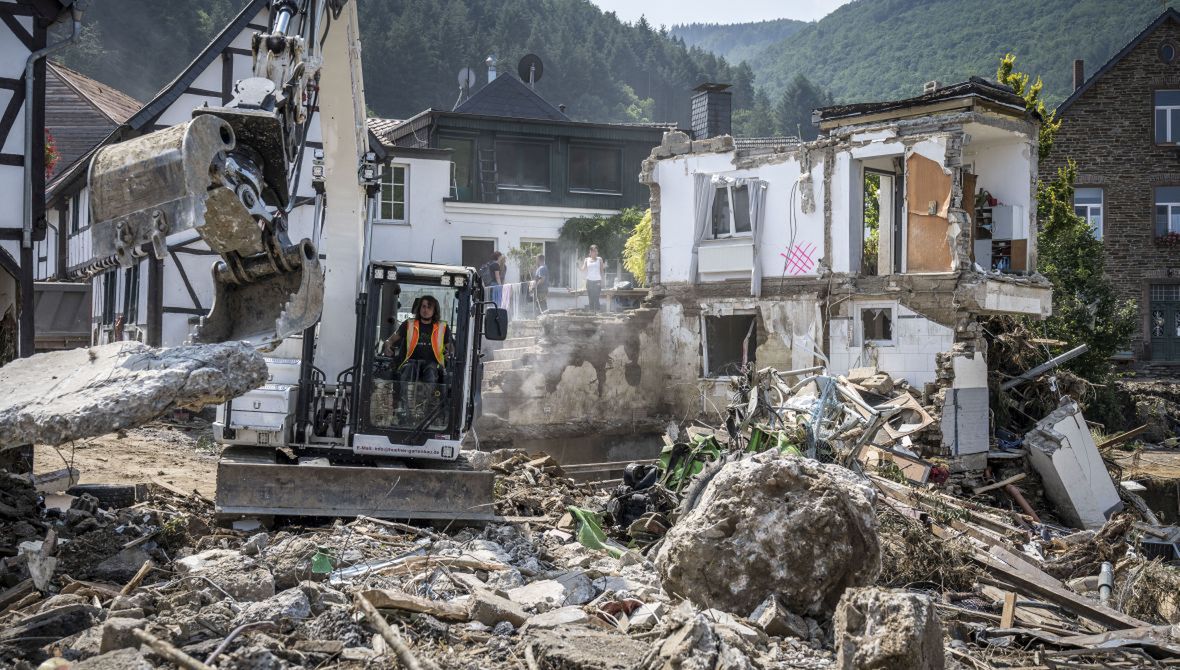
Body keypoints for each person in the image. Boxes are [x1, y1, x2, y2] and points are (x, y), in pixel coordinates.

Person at [382, 295, 452, 385]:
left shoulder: (443, 327)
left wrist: (450, 353)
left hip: (433, 363)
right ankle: (402, 399)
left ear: (434, 310)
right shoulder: (408, 324)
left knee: (430, 374)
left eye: (429, 307)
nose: (425, 310)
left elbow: (450, 347)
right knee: (407, 372)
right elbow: (390, 340)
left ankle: (429, 399)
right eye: (423, 306)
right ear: (419, 308)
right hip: (411, 361)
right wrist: (387, 346)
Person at [579, 244, 606, 311]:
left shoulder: (599, 259)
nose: (596, 253)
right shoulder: (586, 260)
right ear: (590, 252)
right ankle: (591, 313)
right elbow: (583, 269)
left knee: (596, 298)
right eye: (594, 251)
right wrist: (578, 266)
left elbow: (602, 271)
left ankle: (597, 312)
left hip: (597, 281)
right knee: (590, 298)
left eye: (597, 251)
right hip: (589, 281)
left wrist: (603, 281)